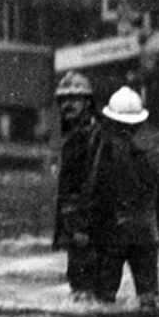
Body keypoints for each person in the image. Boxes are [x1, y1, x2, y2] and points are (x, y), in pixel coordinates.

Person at [83, 86, 159, 309]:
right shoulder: (157, 159)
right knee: (149, 298)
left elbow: (93, 195)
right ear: (140, 124)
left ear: (110, 121)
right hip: (147, 234)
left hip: (112, 234)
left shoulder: (102, 156)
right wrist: (154, 236)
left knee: (102, 301)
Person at [52, 70, 102, 302]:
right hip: (76, 225)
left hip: (86, 226)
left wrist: (83, 224)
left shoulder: (93, 137)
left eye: (74, 100)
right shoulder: (74, 137)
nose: (68, 105)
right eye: (64, 100)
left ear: (88, 102)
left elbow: (94, 182)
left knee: (86, 288)